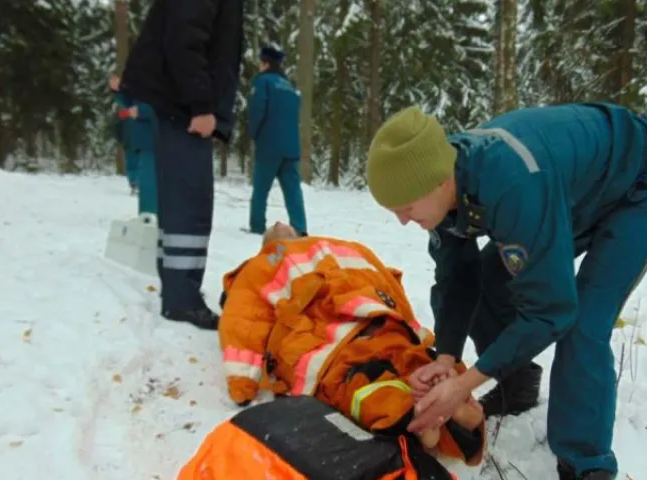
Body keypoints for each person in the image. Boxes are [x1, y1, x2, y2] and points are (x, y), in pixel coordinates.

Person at [364, 102, 647, 480]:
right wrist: (447, 357)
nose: (403, 221)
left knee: (584, 319)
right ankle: (518, 383)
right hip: (576, 192)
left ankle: (586, 464)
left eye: (406, 208)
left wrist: (466, 383)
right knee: (492, 278)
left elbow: (550, 311)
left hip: (644, 185)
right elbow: (457, 278)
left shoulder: (512, 182)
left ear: (440, 182)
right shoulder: (442, 179)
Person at [217, 222, 486, 466]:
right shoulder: (348, 247)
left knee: (354, 381)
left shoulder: (264, 263)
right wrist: (411, 326)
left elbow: (242, 321)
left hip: (328, 339)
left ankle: (412, 419)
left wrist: (243, 382)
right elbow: (388, 283)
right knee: (414, 360)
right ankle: (454, 413)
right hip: (380, 317)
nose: (278, 223)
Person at [117, 0, 246, 330]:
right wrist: (200, 105)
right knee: (189, 200)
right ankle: (180, 299)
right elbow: (184, 40)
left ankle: (180, 291)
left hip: (180, 101)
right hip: (182, 105)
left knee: (186, 198)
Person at [246, 45, 308, 236]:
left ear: (265, 63)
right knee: (292, 191)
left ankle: (257, 225)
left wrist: (253, 133)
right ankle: (300, 228)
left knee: (261, 189)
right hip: (290, 147)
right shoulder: (289, 86)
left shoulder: (263, 83)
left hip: (269, 145)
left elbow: (258, 110)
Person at [109, 74, 158, 219]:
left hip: (158, 139)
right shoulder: (141, 71)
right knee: (147, 187)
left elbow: (173, 104)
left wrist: (143, 110)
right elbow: (130, 103)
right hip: (139, 139)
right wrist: (118, 90)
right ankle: (147, 222)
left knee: (153, 187)